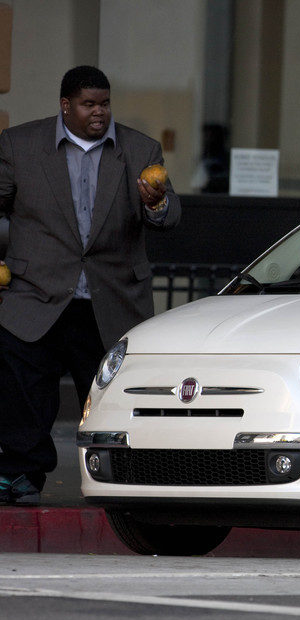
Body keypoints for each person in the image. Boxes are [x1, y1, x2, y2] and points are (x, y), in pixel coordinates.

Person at [0, 65, 181, 503]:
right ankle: (22, 475)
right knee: (25, 393)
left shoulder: (139, 149)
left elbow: (171, 215)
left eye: (105, 103)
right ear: (66, 105)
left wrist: (155, 204)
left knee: (108, 397)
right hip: (34, 295)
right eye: (88, 104)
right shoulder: (19, 145)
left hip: (110, 299)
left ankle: (118, 478)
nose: (99, 113)